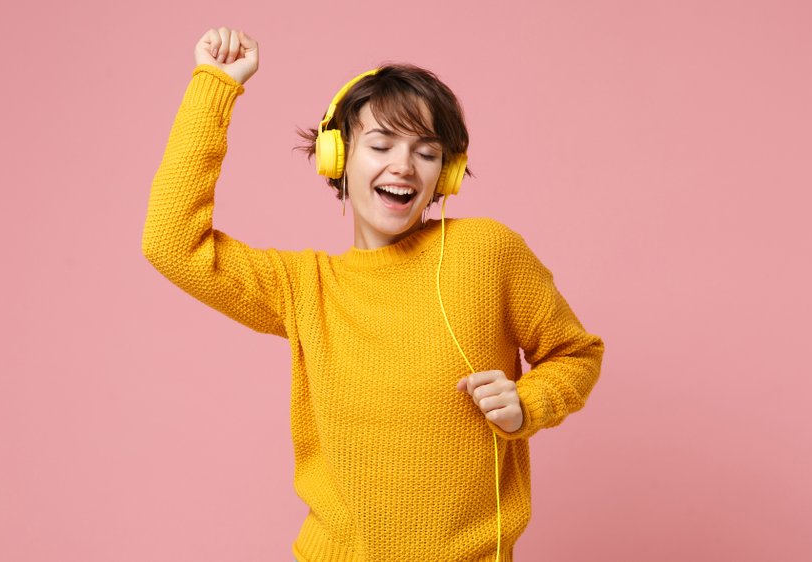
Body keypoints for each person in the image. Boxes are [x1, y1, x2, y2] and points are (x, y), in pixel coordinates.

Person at [142, 26, 606, 562]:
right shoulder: (303, 288)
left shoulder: (486, 250)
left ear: (446, 175)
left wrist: (528, 403)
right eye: (382, 145)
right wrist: (215, 86)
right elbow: (171, 242)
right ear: (335, 159)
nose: (403, 166)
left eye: (426, 153)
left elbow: (577, 352)